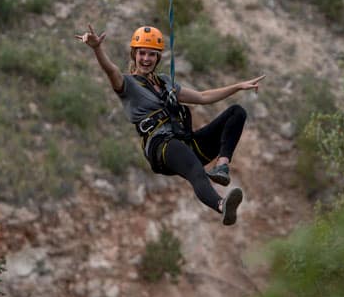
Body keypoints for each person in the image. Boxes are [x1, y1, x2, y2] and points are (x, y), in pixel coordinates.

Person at [76, 24, 265, 225]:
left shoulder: (166, 82)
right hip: (161, 146)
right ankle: (221, 205)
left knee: (236, 113)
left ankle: (222, 166)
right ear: (134, 55)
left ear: (158, 58)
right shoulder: (127, 85)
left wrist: (238, 86)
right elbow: (111, 70)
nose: (146, 59)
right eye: (142, 53)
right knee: (194, 168)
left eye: (151, 54)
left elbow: (202, 97)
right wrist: (97, 48)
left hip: (185, 141)